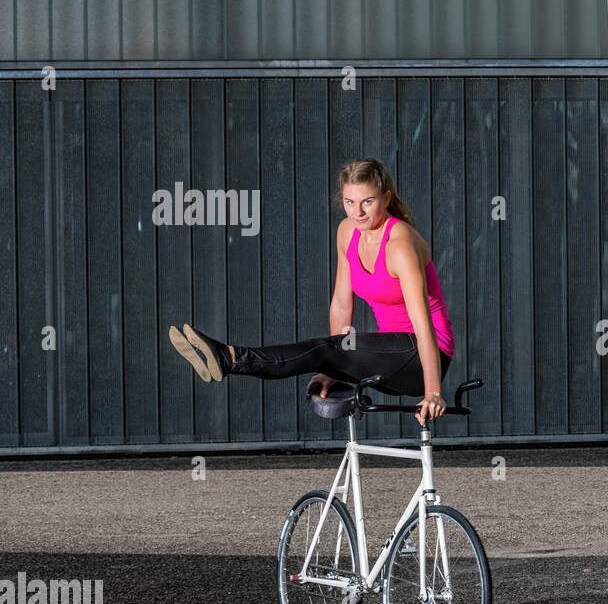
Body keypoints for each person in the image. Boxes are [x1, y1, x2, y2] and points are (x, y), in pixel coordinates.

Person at [169, 158, 455, 426]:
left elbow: (422, 322)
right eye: (350, 202)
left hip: (426, 356)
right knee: (330, 348)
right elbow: (342, 305)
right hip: (388, 353)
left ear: (387, 198)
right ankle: (228, 358)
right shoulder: (347, 232)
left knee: (326, 349)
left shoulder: (400, 243)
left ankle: (230, 357)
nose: (358, 212)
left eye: (368, 201)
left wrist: (433, 391)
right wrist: (336, 368)